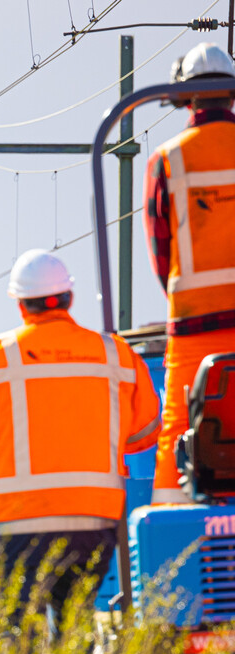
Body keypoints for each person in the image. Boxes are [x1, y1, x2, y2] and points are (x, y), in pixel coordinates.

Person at [0, 249, 161, 629]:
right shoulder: (115, 354)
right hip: (93, 525)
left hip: (17, 528)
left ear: (21, 305)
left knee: (18, 636)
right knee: (76, 628)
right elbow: (145, 432)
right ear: (69, 298)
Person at [147, 43, 235, 503]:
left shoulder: (167, 160)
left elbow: (161, 253)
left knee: (180, 426)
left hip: (194, 325)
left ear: (186, 98)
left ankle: (166, 548)